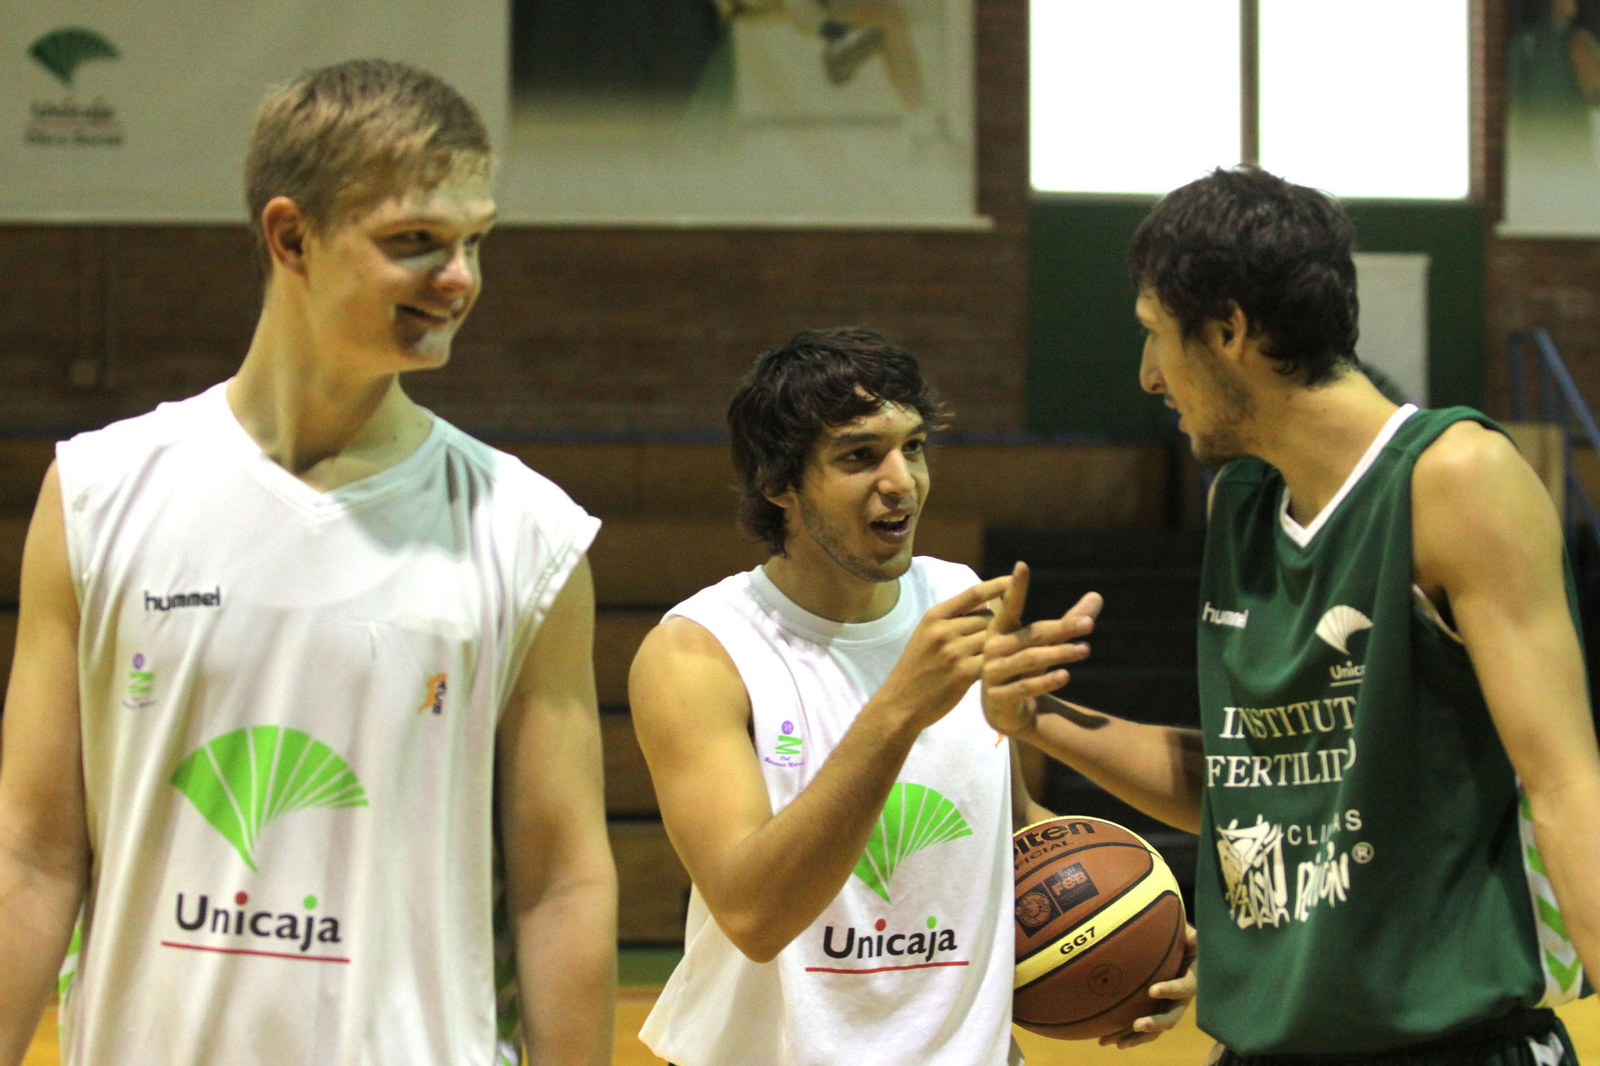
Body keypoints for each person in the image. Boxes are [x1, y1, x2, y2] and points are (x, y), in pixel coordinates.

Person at [0, 59, 616, 1066]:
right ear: (290, 236)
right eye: (415, 242)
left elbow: (562, 883)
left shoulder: (528, 531)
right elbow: (27, 855)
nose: (459, 278)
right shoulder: (98, 492)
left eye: (474, 241)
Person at [983, 166, 1600, 1064]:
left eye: (1157, 336)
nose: (1149, 376)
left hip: (1449, 1046)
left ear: (1229, 330)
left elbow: (1565, 782)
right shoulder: (1242, 500)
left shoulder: (1456, 480)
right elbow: (1246, 784)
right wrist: (1032, 718)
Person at [630, 327, 1194, 1066]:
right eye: (860, 456)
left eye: (915, 447)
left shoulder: (961, 601)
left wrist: (1132, 939)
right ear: (779, 484)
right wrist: (898, 709)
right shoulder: (700, 652)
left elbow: (1012, 825)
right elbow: (753, 913)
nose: (902, 481)